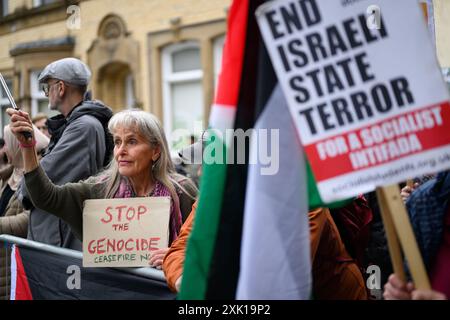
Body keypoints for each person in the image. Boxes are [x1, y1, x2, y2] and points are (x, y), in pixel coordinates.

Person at [8, 108, 194, 268]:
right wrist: (27, 146)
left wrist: (178, 256)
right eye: (117, 142)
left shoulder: (181, 192)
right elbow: (46, 197)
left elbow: (207, 245)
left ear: (156, 151)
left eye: (132, 142)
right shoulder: (100, 189)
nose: (121, 151)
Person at [163, 204, 368, 299]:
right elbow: (179, 250)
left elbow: (285, 271)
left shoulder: (303, 197)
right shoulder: (218, 194)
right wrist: (185, 279)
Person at [19, 57, 114, 250]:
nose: (46, 94)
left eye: (47, 88)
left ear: (61, 87)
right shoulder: (75, 124)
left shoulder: (82, 127)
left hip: (62, 240)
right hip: (59, 237)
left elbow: (35, 187)